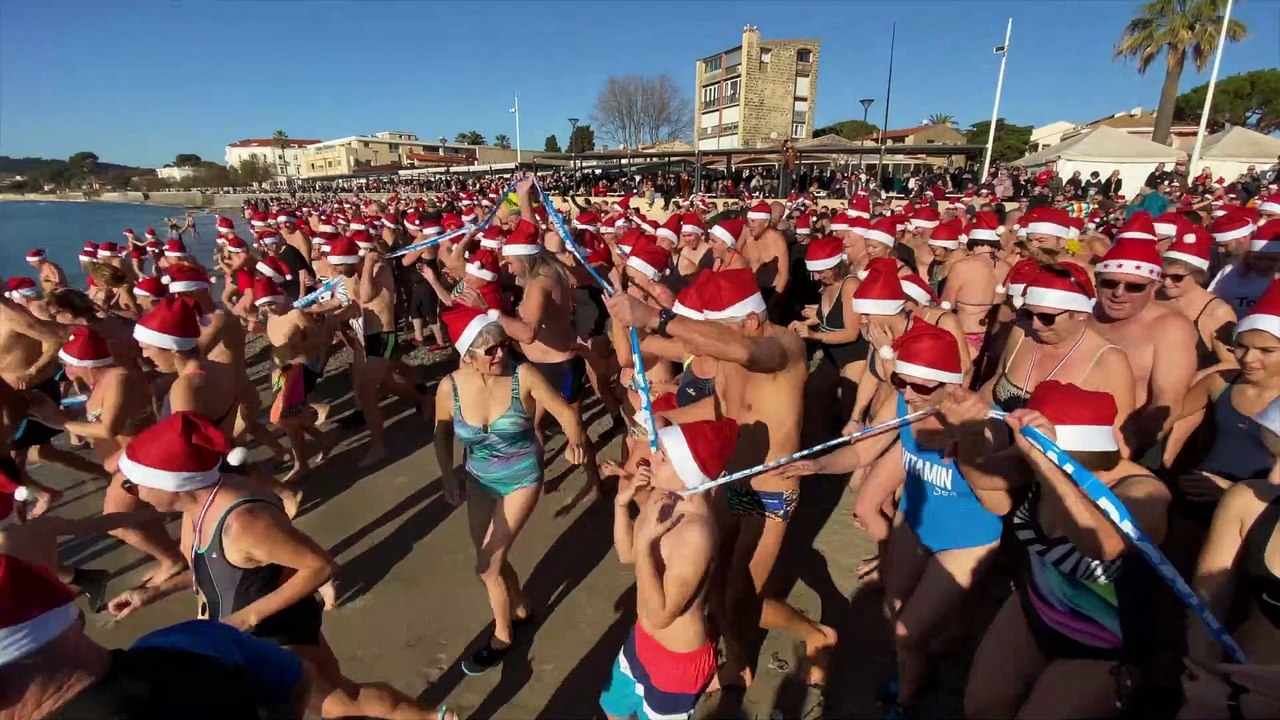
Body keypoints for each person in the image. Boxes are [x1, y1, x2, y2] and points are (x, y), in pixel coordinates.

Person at [104, 412, 454, 720]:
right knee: (337, 699)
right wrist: (153, 592)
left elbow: (319, 566)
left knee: (340, 703)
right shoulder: (195, 507)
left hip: (272, 634)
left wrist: (246, 618)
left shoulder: (243, 521)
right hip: (246, 629)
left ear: (172, 483)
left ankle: (430, 717)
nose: (134, 494)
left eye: (134, 485)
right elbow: (215, 573)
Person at [605, 268, 838, 688]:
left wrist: (655, 318)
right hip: (731, 481)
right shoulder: (732, 351)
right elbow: (722, 410)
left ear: (750, 321)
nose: (703, 344)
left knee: (742, 596)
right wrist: (666, 417)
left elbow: (749, 355)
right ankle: (740, 662)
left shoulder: (782, 346)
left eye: (716, 331)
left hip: (769, 492)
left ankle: (816, 635)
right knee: (713, 582)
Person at [786, 322, 1003, 714]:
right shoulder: (904, 402)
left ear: (950, 384)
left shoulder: (982, 420)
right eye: (901, 380)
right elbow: (861, 453)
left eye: (919, 386)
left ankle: (906, 702)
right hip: (916, 523)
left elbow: (1001, 494)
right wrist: (817, 464)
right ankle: (914, 674)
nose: (906, 392)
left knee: (907, 633)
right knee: (897, 616)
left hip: (969, 538)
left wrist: (966, 438)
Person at [950, 381, 1169, 719]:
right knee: (982, 707)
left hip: (1105, 644)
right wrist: (969, 429)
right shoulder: (1034, 464)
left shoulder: (1143, 493)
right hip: (1037, 608)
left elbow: (1100, 544)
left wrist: (1046, 467)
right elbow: (981, 478)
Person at [433, 306, 587, 676]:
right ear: (468, 355)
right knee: (492, 558)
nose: (501, 353)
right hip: (478, 479)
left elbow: (566, 413)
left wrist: (575, 441)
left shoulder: (524, 375)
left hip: (521, 477)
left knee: (487, 565)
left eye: (503, 345)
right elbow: (440, 433)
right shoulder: (449, 387)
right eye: (490, 350)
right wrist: (447, 477)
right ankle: (520, 607)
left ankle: (502, 636)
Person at [601, 418, 738, 720]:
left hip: (677, 661)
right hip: (640, 641)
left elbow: (663, 615)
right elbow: (627, 555)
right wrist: (621, 506)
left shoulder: (696, 534)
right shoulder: (663, 500)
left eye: (664, 457)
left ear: (688, 474)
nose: (653, 460)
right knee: (613, 711)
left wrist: (647, 544)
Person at [1179, 398, 1280, 719]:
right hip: (1230, 689)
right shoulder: (1249, 502)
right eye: (1272, 455)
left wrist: (1236, 706)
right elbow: (1206, 608)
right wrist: (1205, 674)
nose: (1275, 477)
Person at [982, 264, 1135, 450]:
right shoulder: (1021, 333)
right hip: (995, 454)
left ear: (1079, 314)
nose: (1036, 325)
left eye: (1047, 318)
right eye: (1029, 314)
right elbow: (995, 383)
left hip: (1052, 468)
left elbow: (1121, 439)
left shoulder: (1109, 360)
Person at [1089, 238, 1198, 461]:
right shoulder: (1082, 313)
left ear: (1154, 287)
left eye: (1134, 286)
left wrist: (1126, 454)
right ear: (1096, 280)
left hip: (1126, 448)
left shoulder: (1170, 327)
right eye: (1109, 283)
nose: (1119, 293)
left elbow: (1168, 402)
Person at [258, 276, 334, 485]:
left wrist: (301, 348)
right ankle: (323, 441)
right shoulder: (271, 317)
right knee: (292, 417)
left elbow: (320, 339)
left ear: (280, 298)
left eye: (271, 303)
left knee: (281, 417)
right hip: (281, 371)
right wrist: (272, 369)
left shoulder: (296, 314)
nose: (268, 308)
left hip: (299, 370)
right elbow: (276, 344)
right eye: (263, 305)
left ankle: (301, 464)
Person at [1159, 224, 1237, 373]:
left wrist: (1192, 382)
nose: (1167, 283)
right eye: (1163, 276)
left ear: (1197, 275)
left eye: (1177, 277)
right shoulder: (1156, 298)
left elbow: (1231, 364)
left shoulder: (1218, 312)